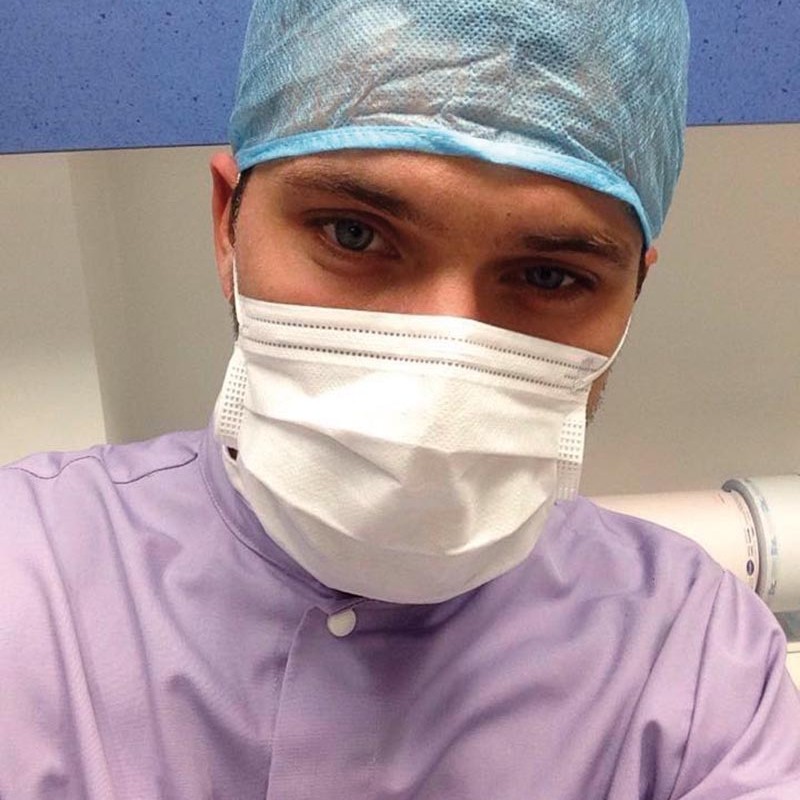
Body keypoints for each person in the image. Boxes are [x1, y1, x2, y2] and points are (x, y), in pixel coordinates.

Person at [1, 0, 799, 797]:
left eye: (549, 276)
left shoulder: (698, 664)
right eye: (353, 234)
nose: (441, 360)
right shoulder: (28, 581)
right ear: (227, 227)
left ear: (631, 296)